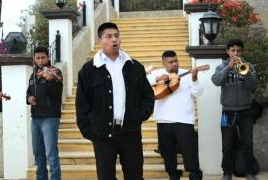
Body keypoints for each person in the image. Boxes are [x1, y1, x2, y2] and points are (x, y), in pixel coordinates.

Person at [76, 22, 154, 180]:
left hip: (130, 132)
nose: (114, 40)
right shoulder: (89, 70)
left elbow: (148, 95)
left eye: (117, 36)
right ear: (100, 40)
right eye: (109, 36)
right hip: (102, 135)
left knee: (135, 176)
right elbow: (82, 104)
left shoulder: (134, 66)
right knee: (105, 177)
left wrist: (139, 116)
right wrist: (91, 132)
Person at [147, 50, 203, 180]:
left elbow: (197, 92)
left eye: (176, 61)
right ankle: (173, 174)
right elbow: (144, 81)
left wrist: (194, 79)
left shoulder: (187, 74)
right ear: (164, 63)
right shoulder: (157, 74)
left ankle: (194, 175)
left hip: (184, 120)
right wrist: (158, 78)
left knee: (189, 152)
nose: (175, 64)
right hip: (163, 121)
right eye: (171, 62)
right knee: (167, 152)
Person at [211, 39, 257, 180]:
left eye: (238, 51)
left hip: (245, 111)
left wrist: (245, 73)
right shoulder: (221, 67)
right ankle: (227, 173)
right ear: (228, 52)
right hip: (228, 111)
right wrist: (229, 67)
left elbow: (253, 87)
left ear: (241, 52)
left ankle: (249, 172)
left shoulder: (248, 66)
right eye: (233, 50)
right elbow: (216, 81)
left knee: (247, 143)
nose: (235, 53)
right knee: (227, 144)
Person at [26, 46, 63, 180]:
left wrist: (50, 81)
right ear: (34, 59)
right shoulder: (33, 74)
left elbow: (57, 94)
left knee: (51, 154)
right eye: (38, 58)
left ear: (48, 57)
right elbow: (28, 92)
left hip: (50, 118)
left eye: (43, 57)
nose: (41, 61)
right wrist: (29, 98)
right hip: (35, 118)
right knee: (38, 153)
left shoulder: (55, 72)